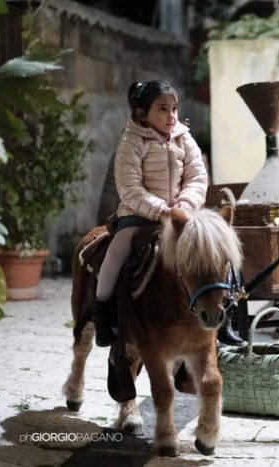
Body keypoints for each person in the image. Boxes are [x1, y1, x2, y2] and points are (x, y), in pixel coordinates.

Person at [92, 80, 209, 347]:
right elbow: (129, 187)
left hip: (181, 214)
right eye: (163, 109)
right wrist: (160, 210)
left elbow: (197, 177)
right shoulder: (131, 142)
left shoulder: (184, 137)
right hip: (139, 215)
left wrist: (185, 205)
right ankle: (102, 311)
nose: (171, 116)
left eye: (174, 109)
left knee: (210, 249)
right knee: (116, 254)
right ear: (142, 114)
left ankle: (224, 310)